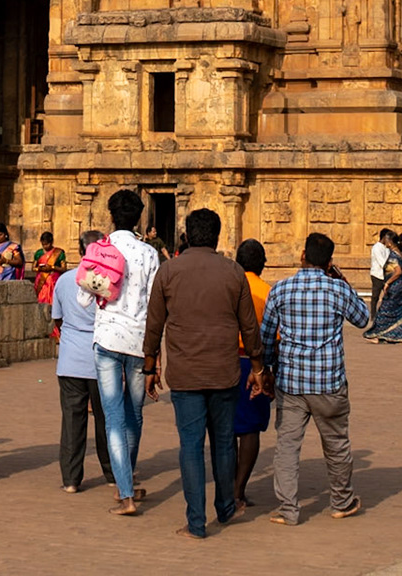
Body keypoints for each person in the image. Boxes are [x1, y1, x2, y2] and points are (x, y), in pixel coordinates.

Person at [143, 207, 262, 540]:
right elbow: (249, 326)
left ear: (186, 235)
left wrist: (149, 367)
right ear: (218, 236)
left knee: (191, 446)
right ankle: (225, 507)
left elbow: (153, 326)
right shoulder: (234, 272)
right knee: (224, 443)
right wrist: (257, 366)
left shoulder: (168, 272)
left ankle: (197, 522)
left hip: (185, 373)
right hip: (224, 370)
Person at [260, 232, 369, 525]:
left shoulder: (281, 289)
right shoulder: (337, 290)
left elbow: (267, 337)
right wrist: (342, 279)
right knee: (336, 445)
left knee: (286, 448)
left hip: (292, 382)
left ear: (302, 256)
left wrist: (267, 369)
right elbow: (363, 319)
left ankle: (288, 509)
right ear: (330, 263)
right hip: (328, 382)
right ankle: (342, 502)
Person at [92, 188, 160, 517]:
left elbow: (83, 297)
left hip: (106, 339)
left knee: (114, 420)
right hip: (139, 341)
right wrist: (155, 354)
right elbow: (155, 304)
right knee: (134, 414)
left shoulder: (99, 249)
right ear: (139, 218)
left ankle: (126, 492)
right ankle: (127, 480)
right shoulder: (149, 254)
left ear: (111, 215)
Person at [51, 230, 113, 494]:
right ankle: (112, 472)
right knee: (106, 420)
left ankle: (71, 479)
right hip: (101, 357)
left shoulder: (64, 281)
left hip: (71, 358)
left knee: (73, 421)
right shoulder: (108, 282)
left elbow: (58, 319)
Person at [232, 238, 272, 509]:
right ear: (262, 265)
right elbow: (274, 337)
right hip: (252, 363)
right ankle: (238, 489)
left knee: (224, 427)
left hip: (222, 361)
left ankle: (227, 487)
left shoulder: (227, 286)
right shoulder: (267, 292)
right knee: (250, 430)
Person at [365, 233, 402, 344]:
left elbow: (397, 271)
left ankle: (375, 334)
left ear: (390, 242)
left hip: (395, 287)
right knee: (401, 311)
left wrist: (388, 283)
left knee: (385, 310)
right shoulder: (401, 254)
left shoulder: (393, 255)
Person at [32, 230, 67, 314]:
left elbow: (63, 269)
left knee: (53, 301)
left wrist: (52, 267)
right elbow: (33, 268)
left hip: (53, 280)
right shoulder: (38, 253)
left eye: (47, 244)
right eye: (43, 244)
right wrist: (40, 269)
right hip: (41, 281)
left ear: (51, 242)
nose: (45, 246)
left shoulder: (59, 253)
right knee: (41, 300)